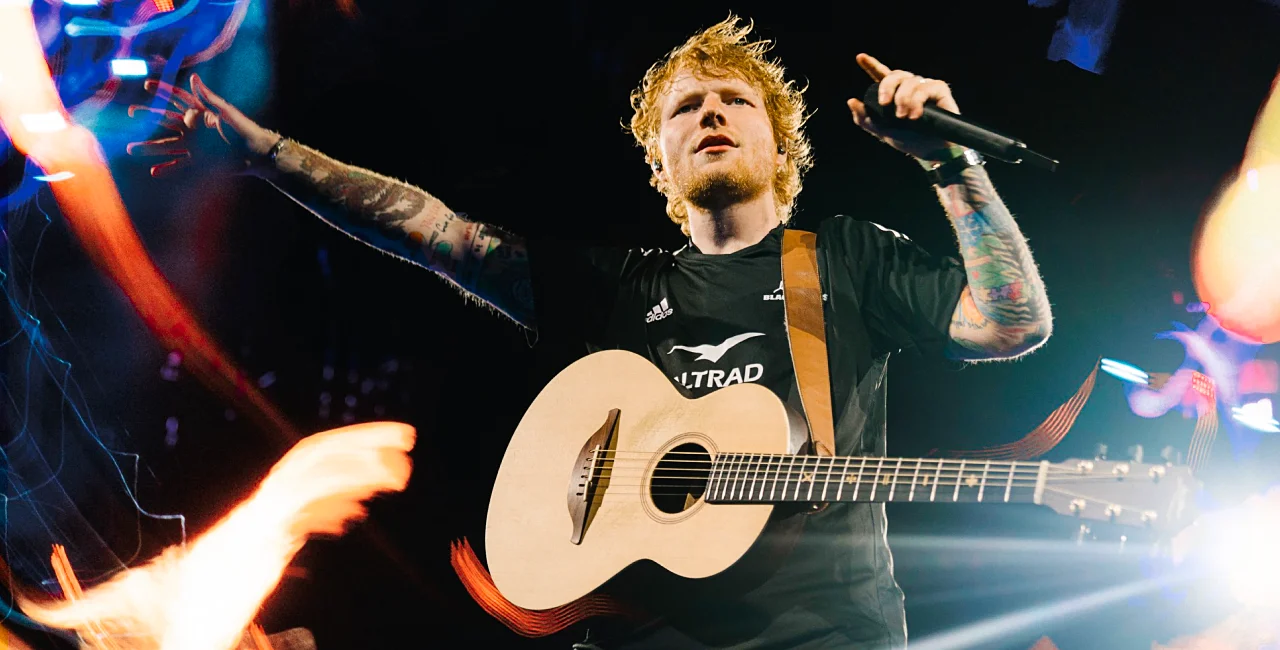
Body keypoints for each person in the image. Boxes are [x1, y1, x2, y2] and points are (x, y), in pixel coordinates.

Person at [128, 14, 1052, 650]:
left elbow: (1011, 323)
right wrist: (263, 155)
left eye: (734, 101)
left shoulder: (847, 258)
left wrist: (953, 164)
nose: (711, 113)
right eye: (686, 107)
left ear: (780, 144)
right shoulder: (618, 287)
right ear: (661, 160)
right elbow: (435, 231)